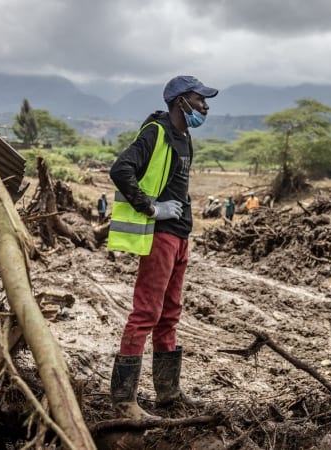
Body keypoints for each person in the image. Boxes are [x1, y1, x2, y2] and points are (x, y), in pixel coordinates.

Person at [107, 75, 217, 419]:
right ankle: (124, 402)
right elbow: (120, 169)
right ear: (181, 102)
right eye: (200, 100)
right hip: (160, 235)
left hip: (180, 235)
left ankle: (168, 394)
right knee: (146, 314)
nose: (205, 106)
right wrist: (152, 208)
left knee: (170, 314)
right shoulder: (155, 132)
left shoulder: (184, 137)